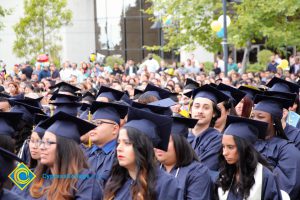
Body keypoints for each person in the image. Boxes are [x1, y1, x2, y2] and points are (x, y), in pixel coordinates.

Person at [12, 111, 103, 200]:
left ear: (65, 148)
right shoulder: (25, 173)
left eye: (48, 142)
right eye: (42, 142)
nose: (42, 147)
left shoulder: (87, 180)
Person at [104, 107, 180, 199]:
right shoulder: (115, 181)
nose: (119, 148)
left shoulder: (165, 184)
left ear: (143, 147)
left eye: (127, 143)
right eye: (118, 143)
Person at [216, 115, 282, 199]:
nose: (224, 153)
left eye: (230, 147)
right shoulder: (225, 174)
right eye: (223, 146)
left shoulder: (264, 176)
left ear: (245, 148)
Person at [252, 94, 300, 199]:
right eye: (252, 116)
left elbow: (284, 190)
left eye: (260, 117)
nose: (254, 120)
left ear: (274, 121)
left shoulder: (288, 150)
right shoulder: (248, 143)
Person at [155, 116, 213, 199]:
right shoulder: (152, 168)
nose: (159, 145)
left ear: (180, 143)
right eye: (157, 140)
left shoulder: (197, 173)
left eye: (166, 141)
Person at [185, 84, 229, 176]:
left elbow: (203, 169)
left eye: (206, 108)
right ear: (190, 110)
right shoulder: (182, 135)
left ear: (214, 113)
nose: (200, 111)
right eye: (196, 106)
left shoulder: (217, 140)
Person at [85, 101, 128, 185]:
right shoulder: (83, 155)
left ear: (115, 129)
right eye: (92, 123)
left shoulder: (121, 157)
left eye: (98, 123)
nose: (92, 127)